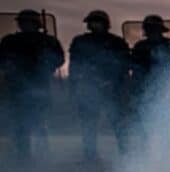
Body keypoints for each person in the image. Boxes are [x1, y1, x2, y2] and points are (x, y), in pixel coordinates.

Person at [0, 9, 64, 162]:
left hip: (37, 84)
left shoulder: (47, 41)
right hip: (17, 86)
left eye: (29, 22)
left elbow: (58, 59)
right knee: (23, 122)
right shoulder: (10, 41)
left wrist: (45, 66)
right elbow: (1, 60)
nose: (27, 25)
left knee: (37, 121)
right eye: (24, 22)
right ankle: (25, 154)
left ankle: (40, 153)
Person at [68, 10, 131, 160]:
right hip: (88, 87)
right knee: (89, 124)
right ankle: (90, 155)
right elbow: (75, 65)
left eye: (98, 21)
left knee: (118, 123)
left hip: (112, 88)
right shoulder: (80, 41)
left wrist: (113, 82)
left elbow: (124, 64)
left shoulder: (116, 42)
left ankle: (125, 154)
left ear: (105, 24)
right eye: (93, 22)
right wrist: (75, 84)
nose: (95, 25)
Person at [129, 14, 170, 153]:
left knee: (163, 121)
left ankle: (167, 149)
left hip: (164, 87)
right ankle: (146, 149)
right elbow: (134, 66)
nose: (152, 32)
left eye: (154, 29)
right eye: (150, 29)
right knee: (144, 122)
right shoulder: (140, 45)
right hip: (142, 88)